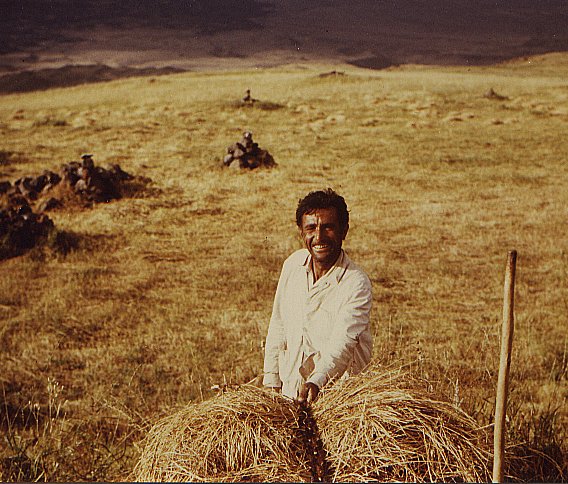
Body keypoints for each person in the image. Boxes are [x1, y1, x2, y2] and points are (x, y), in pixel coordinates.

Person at [263, 188, 373, 403]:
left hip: (339, 400)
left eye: (328, 227)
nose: (319, 237)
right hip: (291, 395)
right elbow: (278, 325)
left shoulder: (356, 283)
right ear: (301, 232)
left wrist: (316, 381)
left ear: (344, 230)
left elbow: (343, 344)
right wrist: (271, 382)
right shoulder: (292, 265)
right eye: (311, 228)